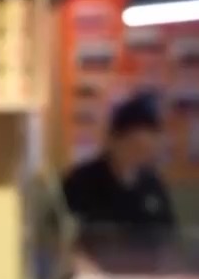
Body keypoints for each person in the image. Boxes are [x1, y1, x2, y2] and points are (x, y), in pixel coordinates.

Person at [62, 96, 177, 239]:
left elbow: (168, 234)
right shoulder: (80, 181)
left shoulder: (152, 184)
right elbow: (59, 233)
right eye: (135, 146)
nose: (139, 156)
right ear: (113, 140)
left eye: (147, 149)